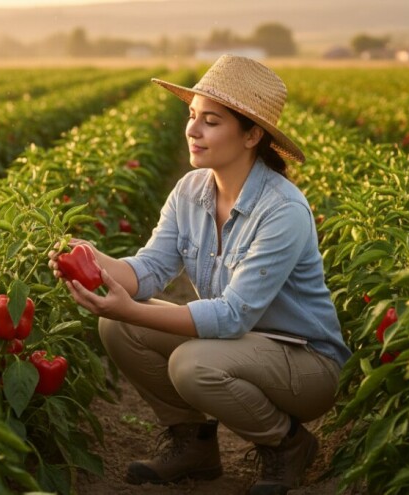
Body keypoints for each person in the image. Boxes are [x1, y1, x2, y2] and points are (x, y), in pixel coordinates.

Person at [48, 54, 351, 495]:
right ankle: (194, 445)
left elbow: (230, 317)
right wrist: (90, 257)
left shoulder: (282, 210)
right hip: (237, 348)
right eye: (192, 117)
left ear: (252, 135)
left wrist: (133, 308)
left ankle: (288, 445)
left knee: (190, 364)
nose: (192, 130)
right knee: (116, 325)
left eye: (211, 121)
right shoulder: (190, 190)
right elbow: (151, 269)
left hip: (304, 364)